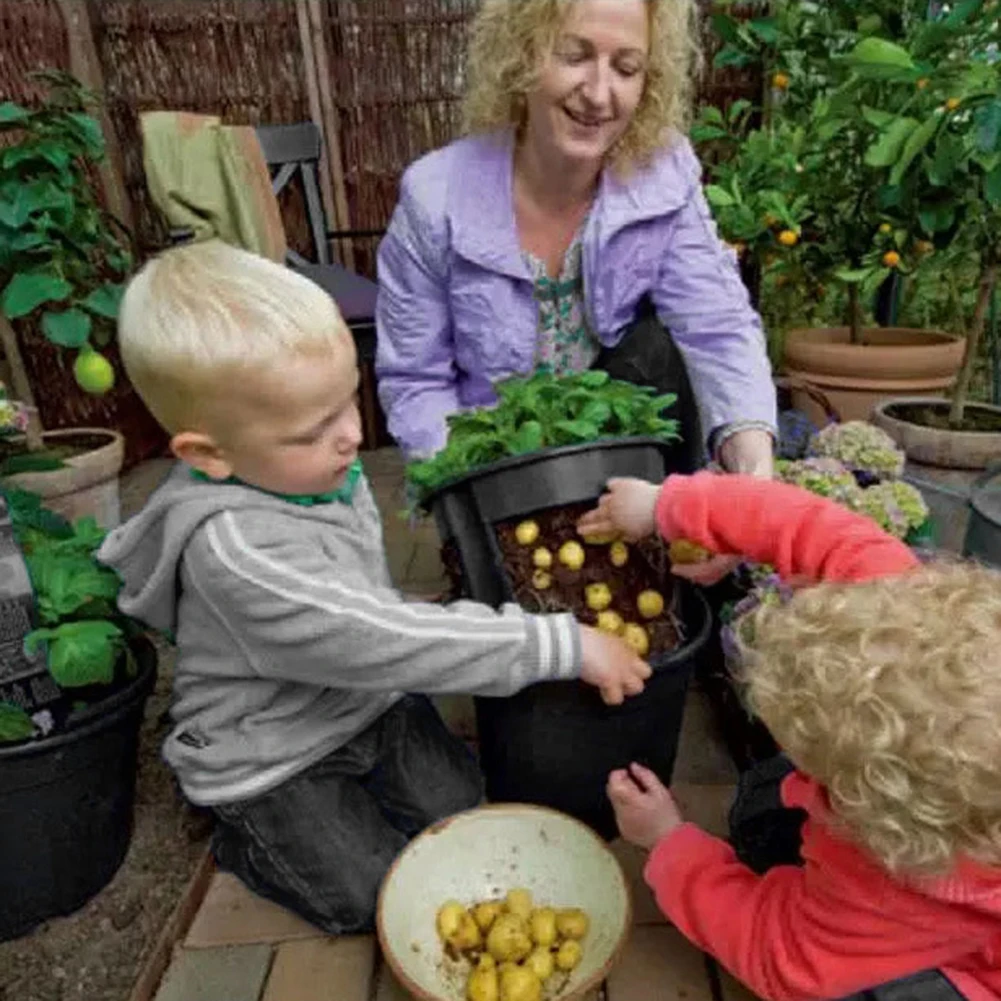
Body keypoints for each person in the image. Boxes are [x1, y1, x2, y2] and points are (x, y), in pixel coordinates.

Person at [97, 239, 651, 934]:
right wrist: (556, 642)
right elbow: (372, 638)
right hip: (271, 754)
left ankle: (348, 805)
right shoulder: (235, 554)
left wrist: (406, 613)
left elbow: (360, 611)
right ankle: (244, 832)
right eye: (313, 429)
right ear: (210, 454)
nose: (352, 436)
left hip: (360, 700)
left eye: (346, 403)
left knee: (460, 803)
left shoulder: (321, 473)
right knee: (367, 895)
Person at [375, 0, 776, 583]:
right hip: (499, 458)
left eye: (627, 67)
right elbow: (417, 382)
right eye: (574, 56)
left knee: (664, 349)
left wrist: (751, 483)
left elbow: (717, 328)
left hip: (614, 449)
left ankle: (677, 565)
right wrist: (481, 502)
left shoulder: (662, 175)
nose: (599, 93)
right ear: (522, 55)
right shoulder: (435, 199)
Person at [578, 473, 1001, 1001]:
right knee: (766, 800)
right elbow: (809, 526)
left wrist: (668, 844)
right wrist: (669, 506)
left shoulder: (899, 886)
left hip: (969, 957)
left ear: (866, 806)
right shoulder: (904, 618)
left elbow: (778, 955)